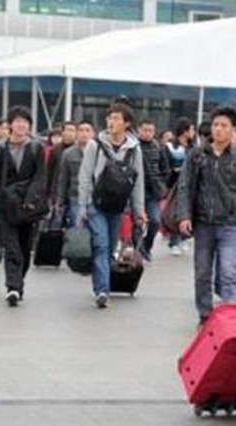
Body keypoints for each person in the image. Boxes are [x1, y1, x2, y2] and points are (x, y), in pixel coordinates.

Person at [176, 106, 236, 326]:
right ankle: (205, 316)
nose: (219, 129)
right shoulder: (197, 155)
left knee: (229, 273)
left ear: (233, 130)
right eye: (216, 125)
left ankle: (232, 320)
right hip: (203, 224)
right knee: (202, 274)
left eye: (224, 125)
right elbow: (185, 187)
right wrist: (184, 216)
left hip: (230, 224)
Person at [78, 99, 147, 309]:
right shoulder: (95, 145)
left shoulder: (134, 150)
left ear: (127, 123)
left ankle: (101, 283)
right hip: (96, 204)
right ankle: (102, 290)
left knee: (109, 247)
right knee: (101, 244)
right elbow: (85, 175)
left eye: (116, 118)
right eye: (109, 118)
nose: (111, 122)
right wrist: (83, 205)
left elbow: (138, 182)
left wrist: (139, 211)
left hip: (118, 206)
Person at [0, 107, 48, 307]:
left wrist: (30, 198)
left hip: (28, 205)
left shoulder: (36, 148)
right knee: (11, 247)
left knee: (25, 247)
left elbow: (40, 176)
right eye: (18, 121)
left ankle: (19, 281)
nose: (21, 125)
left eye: (25, 122)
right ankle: (13, 287)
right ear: (10, 125)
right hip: (6, 205)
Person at [138, 118, 172, 261]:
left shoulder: (159, 147)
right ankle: (136, 249)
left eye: (150, 130)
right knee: (136, 223)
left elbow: (166, 169)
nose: (147, 133)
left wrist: (161, 183)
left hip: (153, 192)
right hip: (136, 191)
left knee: (155, 221)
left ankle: (147, 245)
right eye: (145, 130)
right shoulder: (133, 146)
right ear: (139, 130)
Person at [164, 117, 196, 256]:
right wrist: (173, 172)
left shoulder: (193, 148)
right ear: (184, 131)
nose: (193, 132)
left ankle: (185, 236)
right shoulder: (170, 147)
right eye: (191, 129)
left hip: (190, 184)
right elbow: (165, 165)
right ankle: (174, 241)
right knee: (175, 212)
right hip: (174, 185)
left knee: (187, 211)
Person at [54, 121, 94, 226]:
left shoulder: (99, 152)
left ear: (93, 133)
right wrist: (59, 200)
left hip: (95, 199)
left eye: (87, 130)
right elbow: (63, 179)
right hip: (75, 197)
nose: (84, 134)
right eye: (81, 130)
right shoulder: (68, 153)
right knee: (78, 230)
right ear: (76, 133)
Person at [47, 121, 77, 198]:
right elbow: (50, 172)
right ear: (63, 132)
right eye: (68, 130)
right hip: (57, 190)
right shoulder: (55, 150)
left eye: (72, 130)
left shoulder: (79, 150)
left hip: (73, 191)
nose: (70, 133)